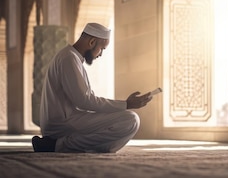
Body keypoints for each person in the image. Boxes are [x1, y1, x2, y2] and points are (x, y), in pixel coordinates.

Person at [31, 23, 154, 153]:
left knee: (114, 136)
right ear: (92, 42)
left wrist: (119, 107)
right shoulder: (69, 58)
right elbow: (84, 101)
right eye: (102, 48)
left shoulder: (72, 57)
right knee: (130, 120)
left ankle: (69, 146)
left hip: (69, 119)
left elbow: (85, 100)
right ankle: (56, 145)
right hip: (62, 123)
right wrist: (126, 104)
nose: (100, 54)